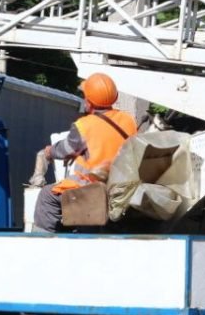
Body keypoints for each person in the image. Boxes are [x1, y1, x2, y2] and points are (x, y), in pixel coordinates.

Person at [32, 72, 137, 233]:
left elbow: (64, 149)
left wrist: (49, 152)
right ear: (114, 98)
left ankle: (43, 246)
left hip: (91, 187)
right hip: (120, 187)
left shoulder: (84, 125)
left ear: (89, 102)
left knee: (46, 196)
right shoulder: (128, 120)